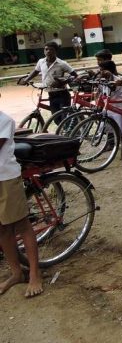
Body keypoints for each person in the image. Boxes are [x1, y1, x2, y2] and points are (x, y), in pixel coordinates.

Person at [0, 104, 43, 298]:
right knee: (2, 228)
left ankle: (35, 273)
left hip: (5, 179)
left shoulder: (4, 120)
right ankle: (17, 273)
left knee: (21, 225)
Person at [18, 42, 75, 115]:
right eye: (46, 49)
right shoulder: (41, 62)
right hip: (51, 94)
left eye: (51, 49)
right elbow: (36, 71)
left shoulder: (62, 63)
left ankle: (76, 124)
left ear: (56, 51)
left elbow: (74, 75)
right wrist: (26, 80)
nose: (48, 51)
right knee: (56, 118)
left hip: (62, 94)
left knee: (65, 118)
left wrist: (63, 81)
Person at [91, 49, 122, 134]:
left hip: (117, 104)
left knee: (121, 126)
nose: (98, 63)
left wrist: (110, 76)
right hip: (108, 104)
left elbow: (113, 87)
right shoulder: (103, 76)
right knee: (107, 125)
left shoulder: (116, 78)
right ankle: (112, 141)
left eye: (100, 60)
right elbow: (99, 87)